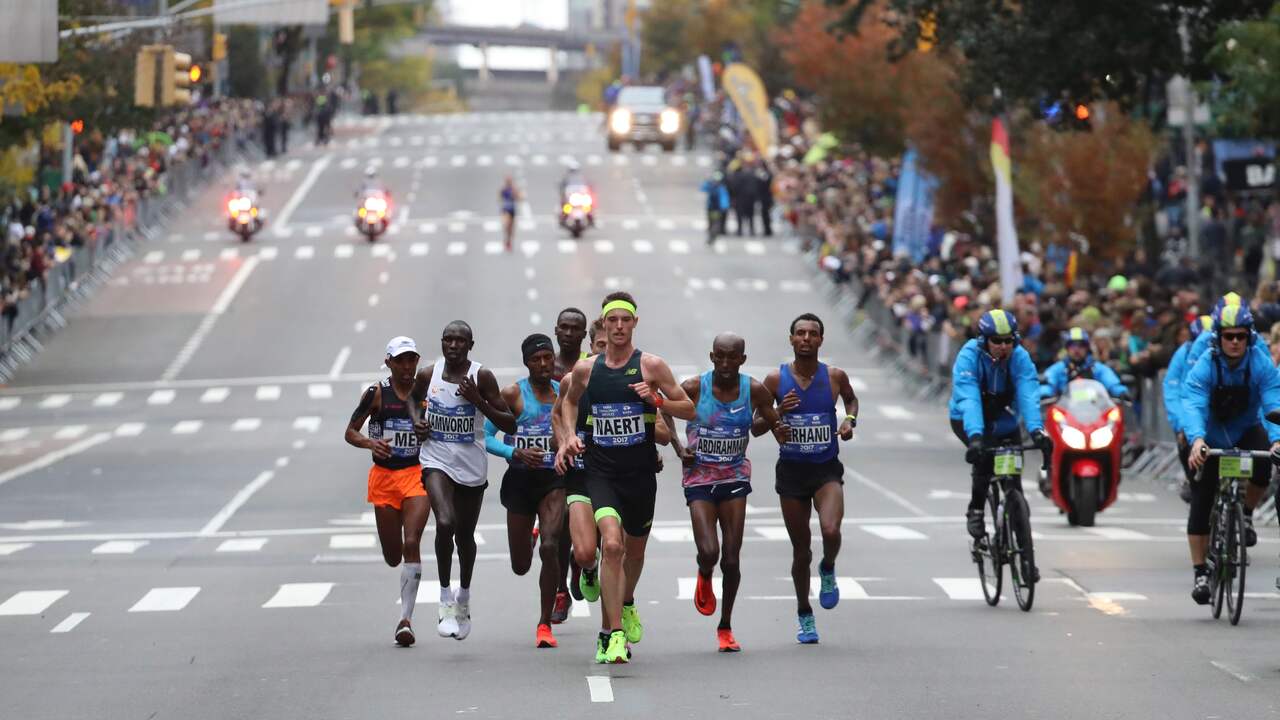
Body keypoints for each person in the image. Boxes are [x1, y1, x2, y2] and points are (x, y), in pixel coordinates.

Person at [555, 292, 694, 664]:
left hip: (640, 475)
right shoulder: (587, 370)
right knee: (611, 546)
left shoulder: (651, 366)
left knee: (635, 551)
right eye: (612, 320)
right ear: (604, 323)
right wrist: (569, 436)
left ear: (634, 324)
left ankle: (627, 601)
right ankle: (613, 634)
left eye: (624, 320)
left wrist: (658, 401)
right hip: (601, 474)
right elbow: (568, 401)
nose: (618, 326)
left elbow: (689, 408)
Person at [664, 333, 788, 652]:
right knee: (710, 552)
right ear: (711, 355)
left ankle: (725, 626)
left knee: (731, 559)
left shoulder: (754, 389)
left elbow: (771, 423)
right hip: (700, 479)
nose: (725, 363)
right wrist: (679, 446)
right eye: (719, 356)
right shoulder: (694, 387)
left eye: (732, 357)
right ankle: (704, 572)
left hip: (734, 477)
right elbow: (663, 406)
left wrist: (782, 432)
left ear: (742, 359)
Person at [409, 321, 515, 641]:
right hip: (435, 459)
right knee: (445, 522)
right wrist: (418, 422)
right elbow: (412, 400)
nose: (453, 345)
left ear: (471, 345)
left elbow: (509, 422)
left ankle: (463, 596)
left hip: (470, 465)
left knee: (464, 537)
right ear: (441, 343)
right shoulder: (428, 374)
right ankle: (444, 599)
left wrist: (477, 400)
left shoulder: (482, 377)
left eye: (460, 341)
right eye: (448, 340)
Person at [760, 313, 859, 645]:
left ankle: (828, 567)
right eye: (799, 333)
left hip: (826, 468)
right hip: (791, 472)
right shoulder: (775, 380)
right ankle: (804, 613)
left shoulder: (834, 376)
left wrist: (848, 421)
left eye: (811, 334)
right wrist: (778, 415)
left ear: (820, 340)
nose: (805, 338)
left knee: (831, 531)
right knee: (800, 550)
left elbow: (851, 399)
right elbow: (756, 425)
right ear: (791, 339)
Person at [1183, 305, 1280, 604]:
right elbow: (1194, 402)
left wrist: (1277, 441)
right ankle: (1200, 571)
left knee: (1265, 465)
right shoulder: (1205, 364)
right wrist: (1196, 439)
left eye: (1240, 336)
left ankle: (1246, 514)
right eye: (1229, 336)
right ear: (1219, 337)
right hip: (1211, 433)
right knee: (1202, 497)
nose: (1235, 342)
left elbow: (1272, 401)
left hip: (1245, 429)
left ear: (1249, 337)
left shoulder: (1260, 363)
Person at [344, 336, 431, 647]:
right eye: (401, 361)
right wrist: (371, 442)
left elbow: (440, 429)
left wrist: (427, 431)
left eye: (412, 360)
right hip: (383, 478)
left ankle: (405, 620)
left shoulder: (426, 394)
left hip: (416, 474)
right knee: (394, 555)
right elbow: (350, 432)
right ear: (390, 363)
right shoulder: (377, 393)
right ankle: (401, 580)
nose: (407, 367)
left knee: (412, 541)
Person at [484, 334, 566, 648]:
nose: (543, 364)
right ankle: (531, 537)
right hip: (519, 481)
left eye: (548, 358)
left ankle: (544, 624)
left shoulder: (565, 393)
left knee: (551, 546)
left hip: (553, 481)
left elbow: (578, 429)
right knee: (521, 566)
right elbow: (486, 435)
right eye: (536, 359)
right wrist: (514, 453)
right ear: (527, 363)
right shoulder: (513, 394)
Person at [948, 309, 1051, 557]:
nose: (1004, 346)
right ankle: (975, 509)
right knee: (984, 459)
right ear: (984, 340)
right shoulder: (969, 356)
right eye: (997, 341)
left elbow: (1028, 394)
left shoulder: (1019, 357)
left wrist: (1037, 430)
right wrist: (975, 437)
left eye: (1009, 341)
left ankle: (1025, 553)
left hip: (1002, 417)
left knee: (1013, 481)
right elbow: (969, 398)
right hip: (967, 417)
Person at [1164, 316, 1214, 504]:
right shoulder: (1183, 354)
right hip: (1193, 412)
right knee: (1185, 439)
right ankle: (1191, 479)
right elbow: (1173, 390)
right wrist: (1180, 424)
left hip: (1219, 415)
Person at [1039, 327, 1130, 399]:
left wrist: (1121, 392)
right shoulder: (1058, 368)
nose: (1076, 349)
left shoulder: (1097, 368)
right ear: (1067, 348)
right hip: (1064, 414)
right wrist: (1045, 393)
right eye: (1072, 345)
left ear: (1087, 348)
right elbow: (1048, 383)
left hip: (1095, 413)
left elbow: (1112, 382)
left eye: (1081, 345)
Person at [701, 172, 730, 242]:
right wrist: (724, 207)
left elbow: (703, 188)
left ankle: (711, 235)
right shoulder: (721, 188)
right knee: (715, 223)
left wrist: (707, 181)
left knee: (712, 223)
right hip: (717, 209)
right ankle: (712, 235)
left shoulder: (711, 186)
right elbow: (724, 199)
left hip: (710, 208)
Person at [499, 177, 519, 252]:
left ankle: (508, 241)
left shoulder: (514, 189)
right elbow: (499, 198)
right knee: (506, 224)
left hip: (512, 209)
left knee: (511, 229)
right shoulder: (503, 189)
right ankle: (506, 239)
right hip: (505, 209)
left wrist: (514, 194)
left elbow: (519, 197)